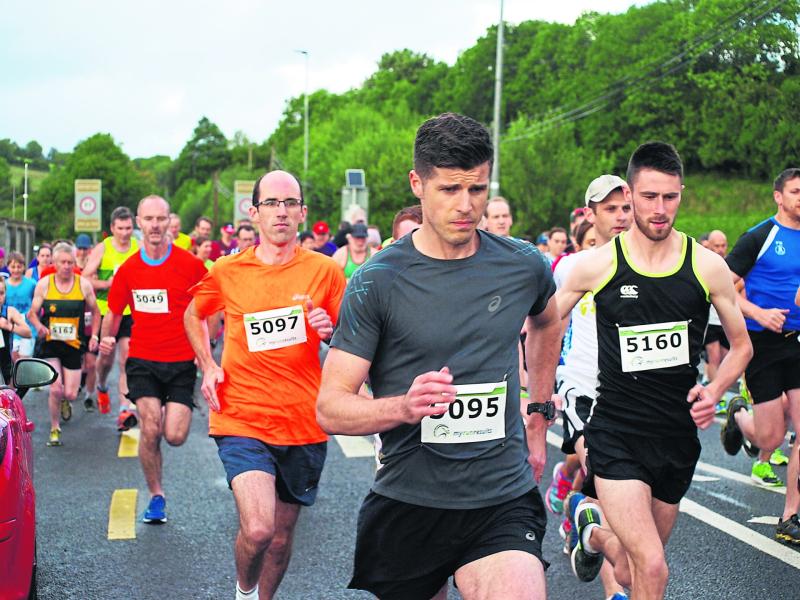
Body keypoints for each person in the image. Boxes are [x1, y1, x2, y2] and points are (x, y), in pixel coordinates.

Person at [317, 113, 561, 600]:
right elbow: (329, 407)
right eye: (450, 189)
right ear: (418, 183)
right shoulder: (376, 281)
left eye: (478, 189)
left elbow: (548, 321)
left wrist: (537, 412)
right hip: (411, 499)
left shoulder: (522, 265)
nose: (466, 206)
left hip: (501, 496)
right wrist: (401, 408)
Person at [555, 142, 752, 597]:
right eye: (649, 197)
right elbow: (545, 323)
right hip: (616, 431)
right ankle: (597, 526)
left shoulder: (707, 267)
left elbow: (741, 347)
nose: (659, 210)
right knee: (654, 567)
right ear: (632, 194)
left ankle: (592, 531)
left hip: (676, 435)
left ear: (682, 193)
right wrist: (540, 397)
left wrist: (716, 389)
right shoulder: (596, 264)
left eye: (670, 197)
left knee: (629, 570)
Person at [184, 170, 345, 600]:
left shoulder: (326, 271)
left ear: (302, 214)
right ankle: (243, 592)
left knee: (279, 538)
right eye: (271, 203)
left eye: (290, 203)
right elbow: (194, 313)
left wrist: (329, 329)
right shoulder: (228, 270)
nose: (281, 211)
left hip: (303, 422)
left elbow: (350, 338)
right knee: (258, 528)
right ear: (254, 214)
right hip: (241, 416)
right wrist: (208, 365)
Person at [547, 174, 631, 598]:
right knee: (613, 489)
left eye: (625, 207)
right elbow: (548, 325)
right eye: (610, 208)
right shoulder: (575, 266)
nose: (620, 216)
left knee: (630, 506)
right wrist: (540, 395)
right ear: (591, 214)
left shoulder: (653, 263)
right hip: (587, 392)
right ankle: (615, 592)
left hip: (638, 398)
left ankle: (585, 522)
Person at [100, 195, 207, 524]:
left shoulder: (190, 265)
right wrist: (105, 337)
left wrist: (208, 354)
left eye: (161, 219)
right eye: (149, 219)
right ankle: (156, 494)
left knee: (174, 435)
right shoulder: (129, 269)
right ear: (138, 223)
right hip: (142, 360)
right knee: (150, 428)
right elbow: (114, 312)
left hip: (180, 362)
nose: (156, 225)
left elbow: (209, 307)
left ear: (169, 221)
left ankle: (171, 419)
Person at [720, 167, 800, 545]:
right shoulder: (759, 237)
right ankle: (739, 416)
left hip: (798, 341)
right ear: (778, 197)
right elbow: (721, 288)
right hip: (762, 343)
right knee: (770, 436)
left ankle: (790, 516)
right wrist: (758, 313)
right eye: (796, 191)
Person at [29, 243, 101, 446]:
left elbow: (96, 312)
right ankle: (54, 428)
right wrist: (38, 327)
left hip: (73, 344)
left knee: (69, 392)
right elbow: (32, 313)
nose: (67, 266)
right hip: (51, 344)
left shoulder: (83, 285)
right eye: (63, 262)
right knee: (55, 388)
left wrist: (94, 336)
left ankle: (65, 402)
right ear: (54, 263)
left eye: (71, 262)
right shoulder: (44, 284)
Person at [82, 206, 139, 428]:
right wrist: (109, 283)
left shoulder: (138, 246)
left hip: (131, 311)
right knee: (105, 359)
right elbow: (86, 278)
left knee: (126, 358)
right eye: (121, 228)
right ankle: (102, 385)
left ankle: (125, 410)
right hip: (107, 311)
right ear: (112, 228)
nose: (125, 233)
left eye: (129, 228)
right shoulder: (103, 248)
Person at [6, 252, 37, 361]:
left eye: (19, 267)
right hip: (10, 328)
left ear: (24, 267)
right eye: (13, 267)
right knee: (12, 360)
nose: (16, 270)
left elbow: (36, 303)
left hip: (27, 327)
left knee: (24, 361)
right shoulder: (4, 285)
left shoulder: (31, 284)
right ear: (8, 267)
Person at [0, 277, 32, 381]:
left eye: (1, 293)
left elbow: (28, 333)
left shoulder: (10, 312)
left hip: (4, 367)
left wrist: (8, 326)